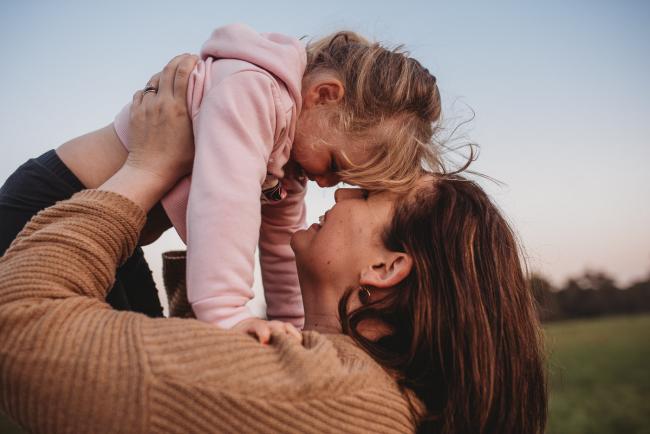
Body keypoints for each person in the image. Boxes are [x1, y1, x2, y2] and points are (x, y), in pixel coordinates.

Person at [0, 55, 547, 433]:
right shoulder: (358, 387)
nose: (340, 192)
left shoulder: (333, 394)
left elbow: (17, 332)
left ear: (387, 266)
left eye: (370, 193)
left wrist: (148, 168)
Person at [47, 23, 442, 340]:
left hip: (117, 240)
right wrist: (225, 311)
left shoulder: (289, 159)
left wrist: (294, 328)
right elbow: (224, 200)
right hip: (55, 202)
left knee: (149, 343)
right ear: (324, 95)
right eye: (336, 163)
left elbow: (282, 244)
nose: (328, 183)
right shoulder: (253, 90)